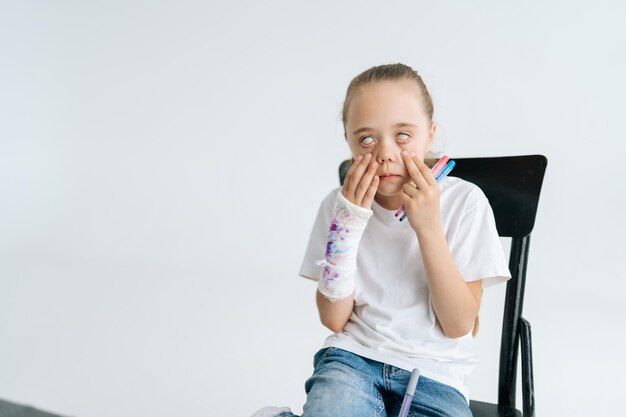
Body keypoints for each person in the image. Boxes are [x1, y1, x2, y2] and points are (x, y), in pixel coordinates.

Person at [252, 63, 511, 417]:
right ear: (348, 141)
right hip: (352, 359)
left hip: (437, 376)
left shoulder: (465, 203)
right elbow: (333, 319)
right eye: (367, 139)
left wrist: (428, 227)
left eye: (403, 135)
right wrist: (349, 223)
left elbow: (457, 325)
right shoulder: (338, 206)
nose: (385, 152)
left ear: (430, 134)